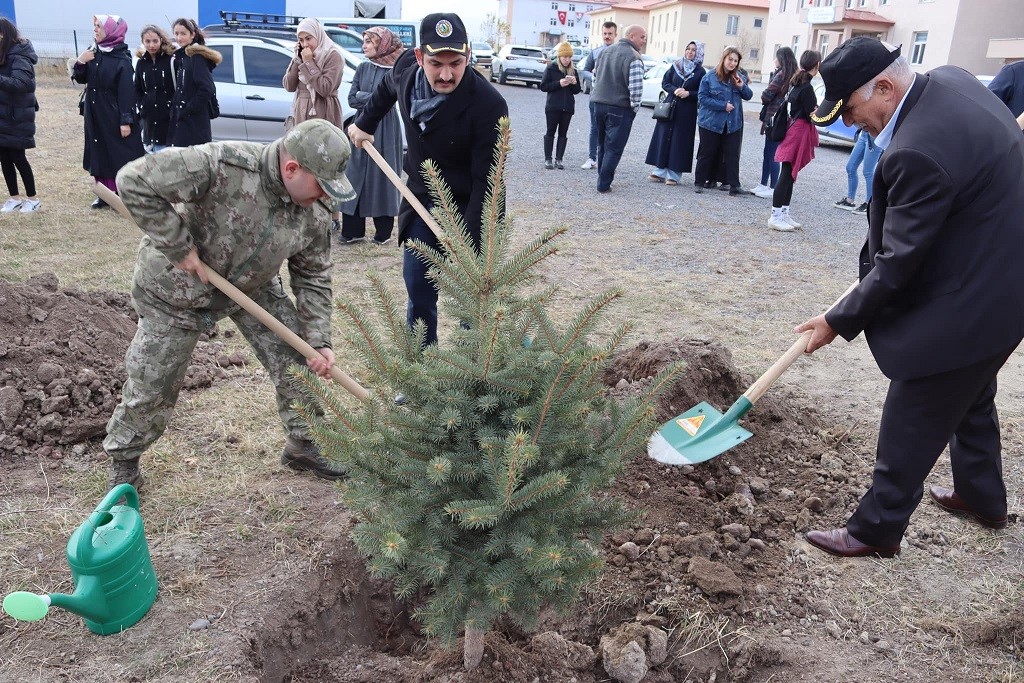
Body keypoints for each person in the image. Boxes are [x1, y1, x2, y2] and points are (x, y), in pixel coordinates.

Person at [797, 38, 1024, 558]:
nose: (850, 125)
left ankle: (875, 529)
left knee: (919, 397)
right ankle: (983, 496)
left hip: (982, 290)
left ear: (884, 86)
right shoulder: (953, 80)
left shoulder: (917, 151)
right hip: (1003, 275)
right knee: (970, 385)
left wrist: (836, 319)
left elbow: (897, 264)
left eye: (850, 111)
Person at [104, 119, 356, 492]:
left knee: (296, 356)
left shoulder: (314, 211)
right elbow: (133, 181)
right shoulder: (223, 164)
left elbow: (314, 275)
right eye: (320, 186)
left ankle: (304, 443)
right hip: (177, 291)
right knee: (154, 381)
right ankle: (124, 463)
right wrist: (177, 245)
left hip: (251, 285)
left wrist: (319, 339)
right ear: (292, 169)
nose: (323, 197)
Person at [347, 13, 507, 348]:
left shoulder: (488, 104)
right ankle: (422, 371)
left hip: (471, 203)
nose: (447, 74)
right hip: (422, 199)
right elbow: (385, 89)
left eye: (457, 63)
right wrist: (365, 123)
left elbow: (486, 183)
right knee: (419, 287)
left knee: (471, 296)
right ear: (420, 58)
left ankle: (474, 371)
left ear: (468, 57)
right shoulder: (405, 71)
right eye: (436, 63)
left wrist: (470, 248)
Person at [70, 14, 145, 209]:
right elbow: (80, 78)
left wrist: (125, 120)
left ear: (112, 31)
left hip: (114, 114)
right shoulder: (94, 52)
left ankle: (122, 194)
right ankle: (103, 194)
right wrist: (80, 61)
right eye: (94, 26)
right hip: (95, 113)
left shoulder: (122, 58)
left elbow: (126, 93)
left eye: (99, 27)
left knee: (119, 153)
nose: (95, 29)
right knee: (98, 151)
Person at [338, 26, 404, 245]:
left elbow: (390, 98)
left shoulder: (395, 70)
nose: (363, 45)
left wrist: (366, 96)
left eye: (368, 41)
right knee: (354, 174)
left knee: (381, 177)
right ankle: (353, 231)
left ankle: (382, 232)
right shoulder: (363, 67)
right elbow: (351, 99)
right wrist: (375, 97)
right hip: (360, 124)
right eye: (364, 41)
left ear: (382, 45)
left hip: (385, 127)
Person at [283, 17, 345, 232]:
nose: (305, 43)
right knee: (302, 163)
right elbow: (289, 85)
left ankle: (331, 214)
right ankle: (305, 209)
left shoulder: (332, 55)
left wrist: (309, 63)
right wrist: (296, 59)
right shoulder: (301, 55)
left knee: (325, 163)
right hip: (301, 113)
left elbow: (325, 88)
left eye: (308, 38)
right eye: (301, 39)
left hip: (323, 112)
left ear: (318, 36)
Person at [767, 49, 821, 232]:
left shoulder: (797, 82)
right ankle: (775, 216)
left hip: (793, 129)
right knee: (788, 172)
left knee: (789, 173)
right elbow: (811, 113)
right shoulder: (807, 87)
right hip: (799, 131)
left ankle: (783, 212)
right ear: (817, 66)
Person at [590, 24, 646, 193]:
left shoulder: (605, 52)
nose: (644, 41)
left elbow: (594, 77)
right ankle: (603, 184)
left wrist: (597, 96)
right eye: (642, 37)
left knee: (602, 145)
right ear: (631, 36)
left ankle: (602, 178)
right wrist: (634, 109)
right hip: (619, 107)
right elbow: (636, 89)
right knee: (614, 148)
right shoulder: (634, 56)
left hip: (598, 103)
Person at [693, 46, 752, 196]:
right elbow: (702, 98)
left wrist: (741, 86)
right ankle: (699, 182)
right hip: (711, 122)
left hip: (733, 123)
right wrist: (723, 106)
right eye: (730, 59)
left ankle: (734, 186)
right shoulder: (710, 77)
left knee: (732, 154)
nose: (732, 63)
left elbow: (748, 95)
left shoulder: (739, 78)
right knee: (707, 152)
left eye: (735, 61)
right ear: (724, 59)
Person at [645, 41, 704, 185]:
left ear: (699, 53)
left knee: (680, 140)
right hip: (670, 106)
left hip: (687, 110)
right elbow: (665, 83)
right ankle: (659, 170)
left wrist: (689, 93)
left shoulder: (700, 72)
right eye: (688, 49)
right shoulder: (676, 66)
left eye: (694, 50)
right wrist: (674, 90)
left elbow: (702, 92)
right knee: (663, 137)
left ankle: (674, 173)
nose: (690, 52)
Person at [0, 18, 40, 213]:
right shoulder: (3, 54)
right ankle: (14, 198)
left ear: (2, 35)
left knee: (18, 157)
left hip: (17, 116)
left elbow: (21, 84)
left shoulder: (19, 56)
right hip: (3, 116)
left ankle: (32, 199)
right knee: (4, 157)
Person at [751, 47, 797, 199]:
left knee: (771, 152)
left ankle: (771, 186)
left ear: (781, 59)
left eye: (776, 57)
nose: (774, 60)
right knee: (771, 151)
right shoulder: (794, 75)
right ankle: (764, 184)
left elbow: (767, 95)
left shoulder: (781, 74)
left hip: (773, 117)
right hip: (783, 119)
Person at [168, 18, 221, 148]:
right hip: (184, 122)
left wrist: (188, 109)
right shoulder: (182, 57)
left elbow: (207, 88)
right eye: (176, 33)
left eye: (183, 33)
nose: (179, 37)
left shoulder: (196, 57)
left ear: (192, 35)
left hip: (194, 123)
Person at [580, 21, 617, 170]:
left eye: (610, 34)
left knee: (611, 130)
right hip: (596, 97)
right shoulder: (595, 52)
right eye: (605, 34)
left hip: (613, 99)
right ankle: (592, 158)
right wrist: (593, 76)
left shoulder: (618, 52)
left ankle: (607, 160)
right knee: (595, 128)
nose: (607, 36)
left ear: (615, 35)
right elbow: (585, 71)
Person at [539, 41, 581, 170]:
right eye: (564, 57)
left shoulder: (573, 71)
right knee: (550, 131)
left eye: (569, 57)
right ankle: (548, 159)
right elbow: (544, 86)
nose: (567, 60)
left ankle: (559, 159)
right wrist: (558, 83)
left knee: (563, 133)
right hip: (553, 106)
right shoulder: (551, 68)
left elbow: (577, 90)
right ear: (559, 57)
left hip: (567, 108)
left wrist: (574, 83)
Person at [134, 24, 175, 153]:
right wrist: (142, 105)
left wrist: (172, 107)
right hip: (149, 121)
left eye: (155, 41)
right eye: (147, 41)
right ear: (143, 42)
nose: (151, 45)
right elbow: (138, 89)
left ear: (161, 40)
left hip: (168, 120)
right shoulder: (141, 63)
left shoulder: (171, 61)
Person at [832, 129, 880, 215]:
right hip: (864, 134)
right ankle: (849, 200)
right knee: (850, 167)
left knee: (868, 172)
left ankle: (869, 203)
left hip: (874, 136)